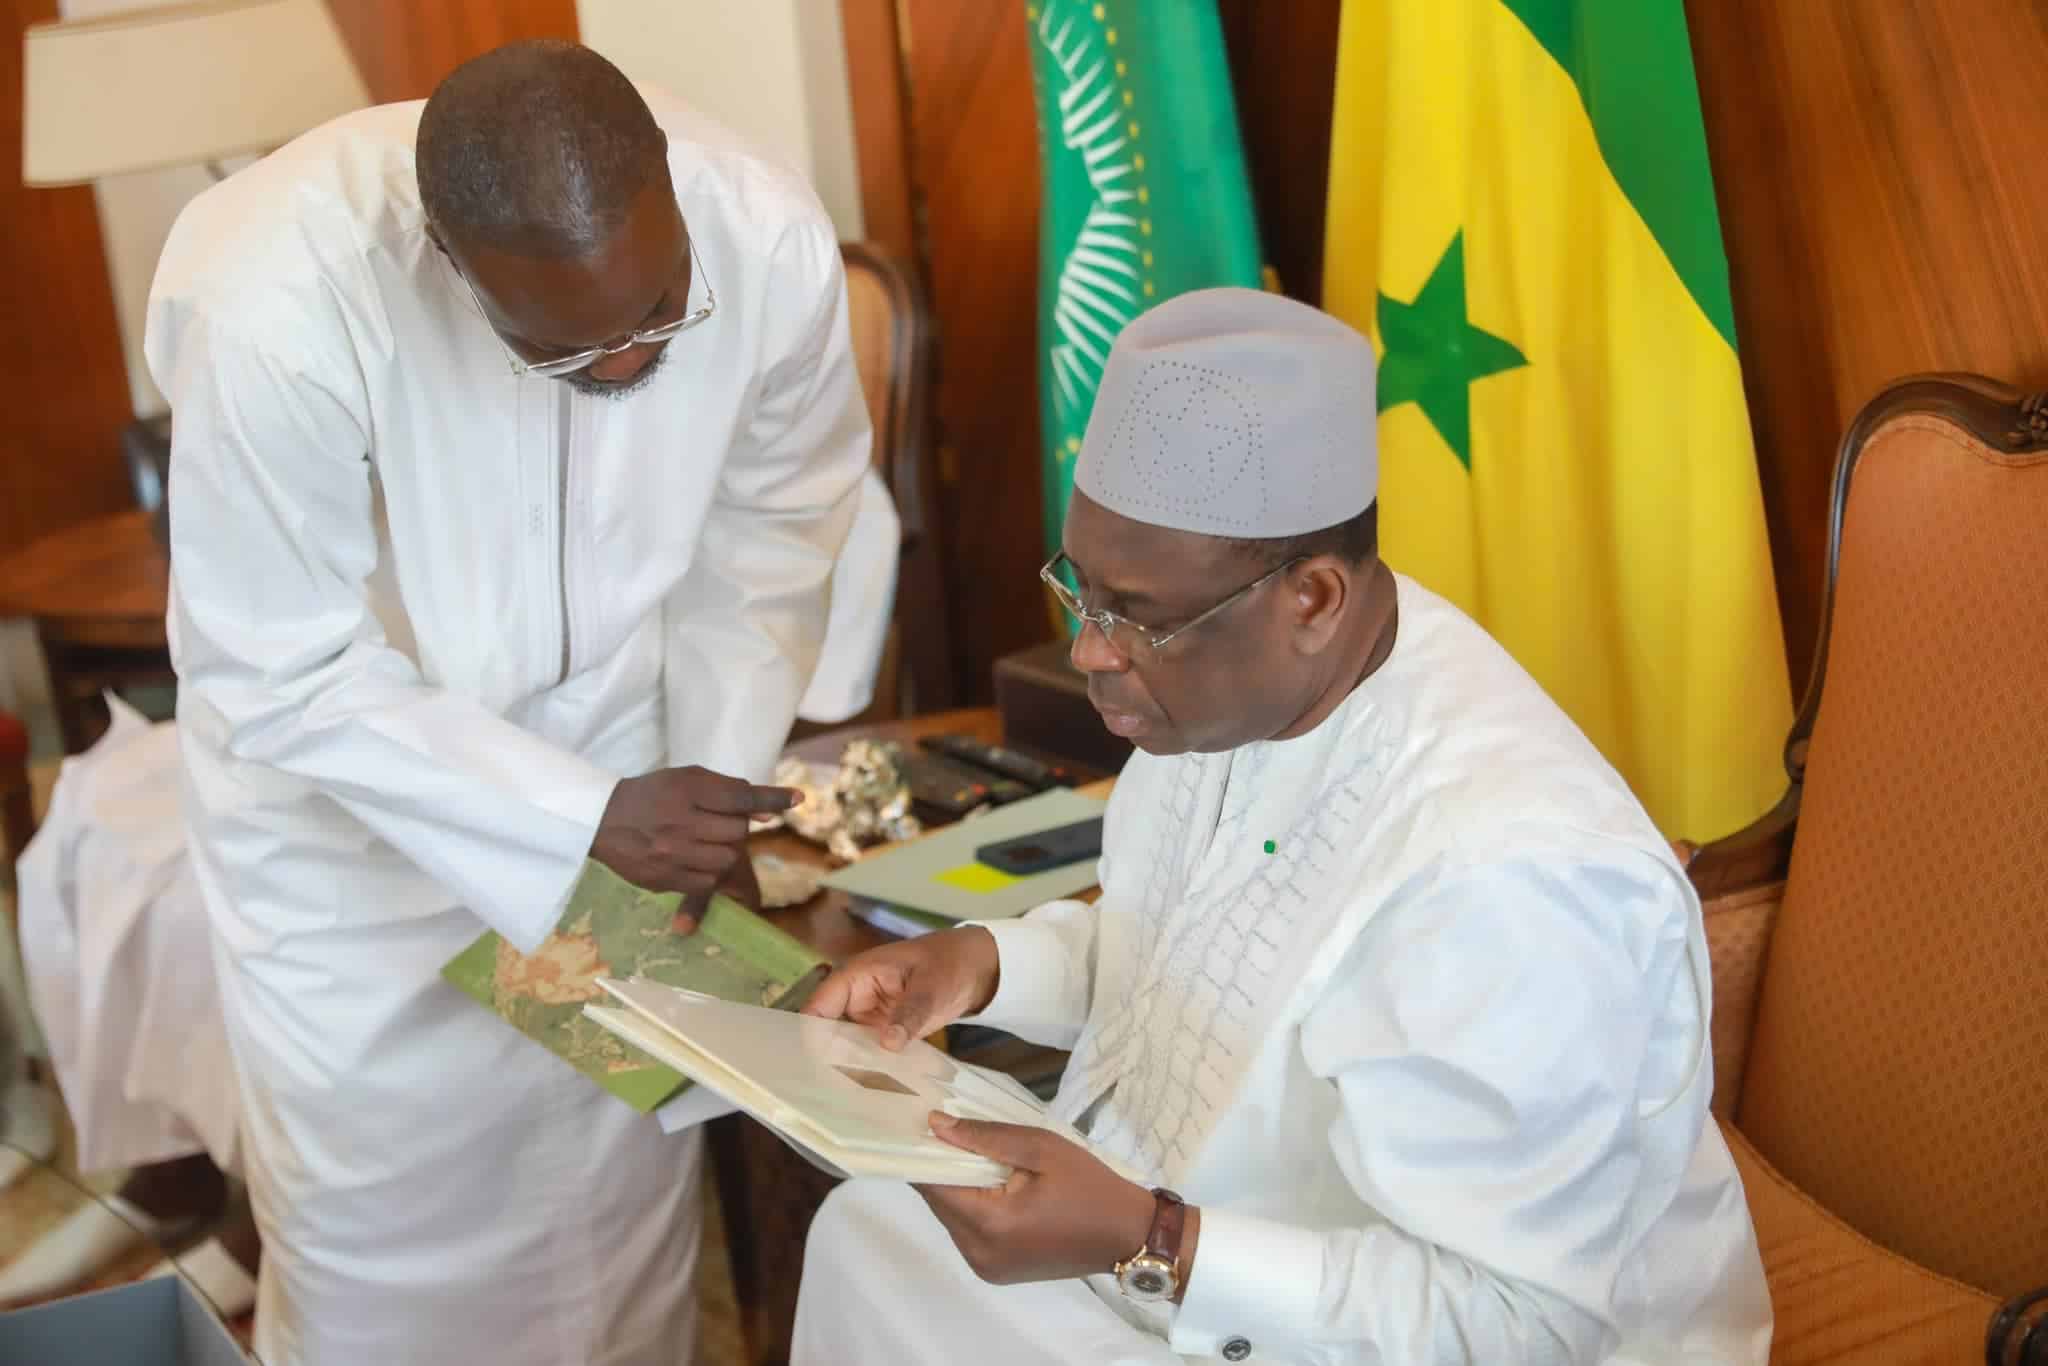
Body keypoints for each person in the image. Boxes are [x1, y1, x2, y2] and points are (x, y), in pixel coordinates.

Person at [791, 288, 1773, 1364]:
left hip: (1368, 1325)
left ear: (1311, 600)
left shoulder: (1511, 875)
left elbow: (1521, 1326)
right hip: (1180, 1244)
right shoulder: (1228, 684)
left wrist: (1150, 1241)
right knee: (868, 1236)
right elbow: (1188, 958)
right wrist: (978, 965)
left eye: (1134, 615)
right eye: (1082, 590)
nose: (1088, 650)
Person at [146, 39, 870, 1364]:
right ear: (448, 259)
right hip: (349, 834)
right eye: (562, 345)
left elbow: (774, 527)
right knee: (383, 1265)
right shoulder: (280, 304)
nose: (624, 365)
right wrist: (572, 816)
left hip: (624, 769)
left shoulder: (764, 237)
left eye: (660, 312)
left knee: (618, 1232)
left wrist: (699, 793)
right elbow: (274, 662)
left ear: (671, 190)